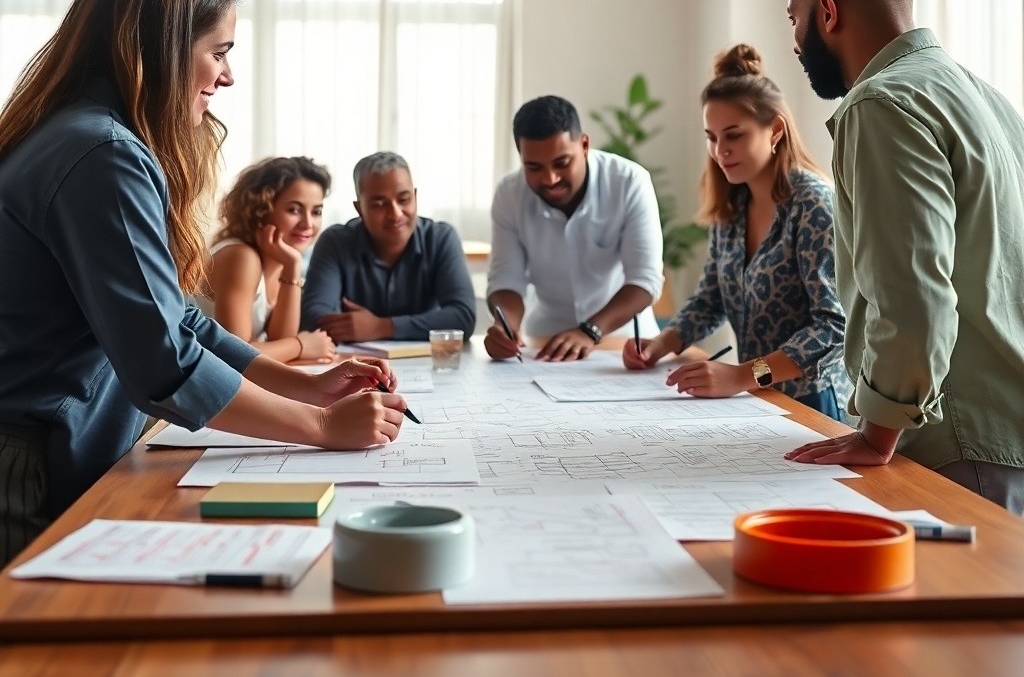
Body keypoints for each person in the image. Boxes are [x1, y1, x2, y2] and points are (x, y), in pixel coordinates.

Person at [0, 0, 406, 565]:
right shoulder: (102, 154)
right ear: (160, 48)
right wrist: (321, 428)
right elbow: (163, 360)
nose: (227, 76)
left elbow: (179, 323)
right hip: (24, 467)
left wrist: (306, 388)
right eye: (218, 52)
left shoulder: (86, 135)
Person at [784, 0, 1024, 513]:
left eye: (793, 19)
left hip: (957, 444)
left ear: (828, 12)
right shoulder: (987, 98)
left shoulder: (881, 102)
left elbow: (913, 293)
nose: (793, 40)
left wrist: (877, 430)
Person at [622, 46, 850, 421]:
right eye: (711, 137)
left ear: (775, 130)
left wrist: (743, 375)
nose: (720, 151)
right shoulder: (732, 207)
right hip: (757, 402)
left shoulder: (813, 203)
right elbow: (710, 301)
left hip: (815, 403)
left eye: (733, 136)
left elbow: (832, 329)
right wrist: (660, 344)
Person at [485, 95, 663, 362]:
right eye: (533, 167)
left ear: (585, 145)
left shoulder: (629, 182)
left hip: (623, 343)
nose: (550, 178)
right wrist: (506, 325)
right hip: (543, 345)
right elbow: (506, 279)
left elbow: (644, 280)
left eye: (562, 163)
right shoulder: (509, 194)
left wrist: (589, 331)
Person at [302, 152, 476, 343]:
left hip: (427, 366)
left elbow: (463, 318)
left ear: (415, 197)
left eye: (404, 200)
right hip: (354, 366)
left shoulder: (440, 238)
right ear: (360, 209)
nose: (395, 214)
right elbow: (315, 320)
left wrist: (380, 327)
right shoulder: (335, 242)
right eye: (379, 204)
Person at [197, 157, 336, 363]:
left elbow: (279, 344)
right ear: (261, 209)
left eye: (316, 212)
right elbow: (234, 355)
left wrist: (292, 266)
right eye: (294, 210)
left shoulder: (281, 264)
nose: (308, 223)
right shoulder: (241, 256)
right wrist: (301, 344)